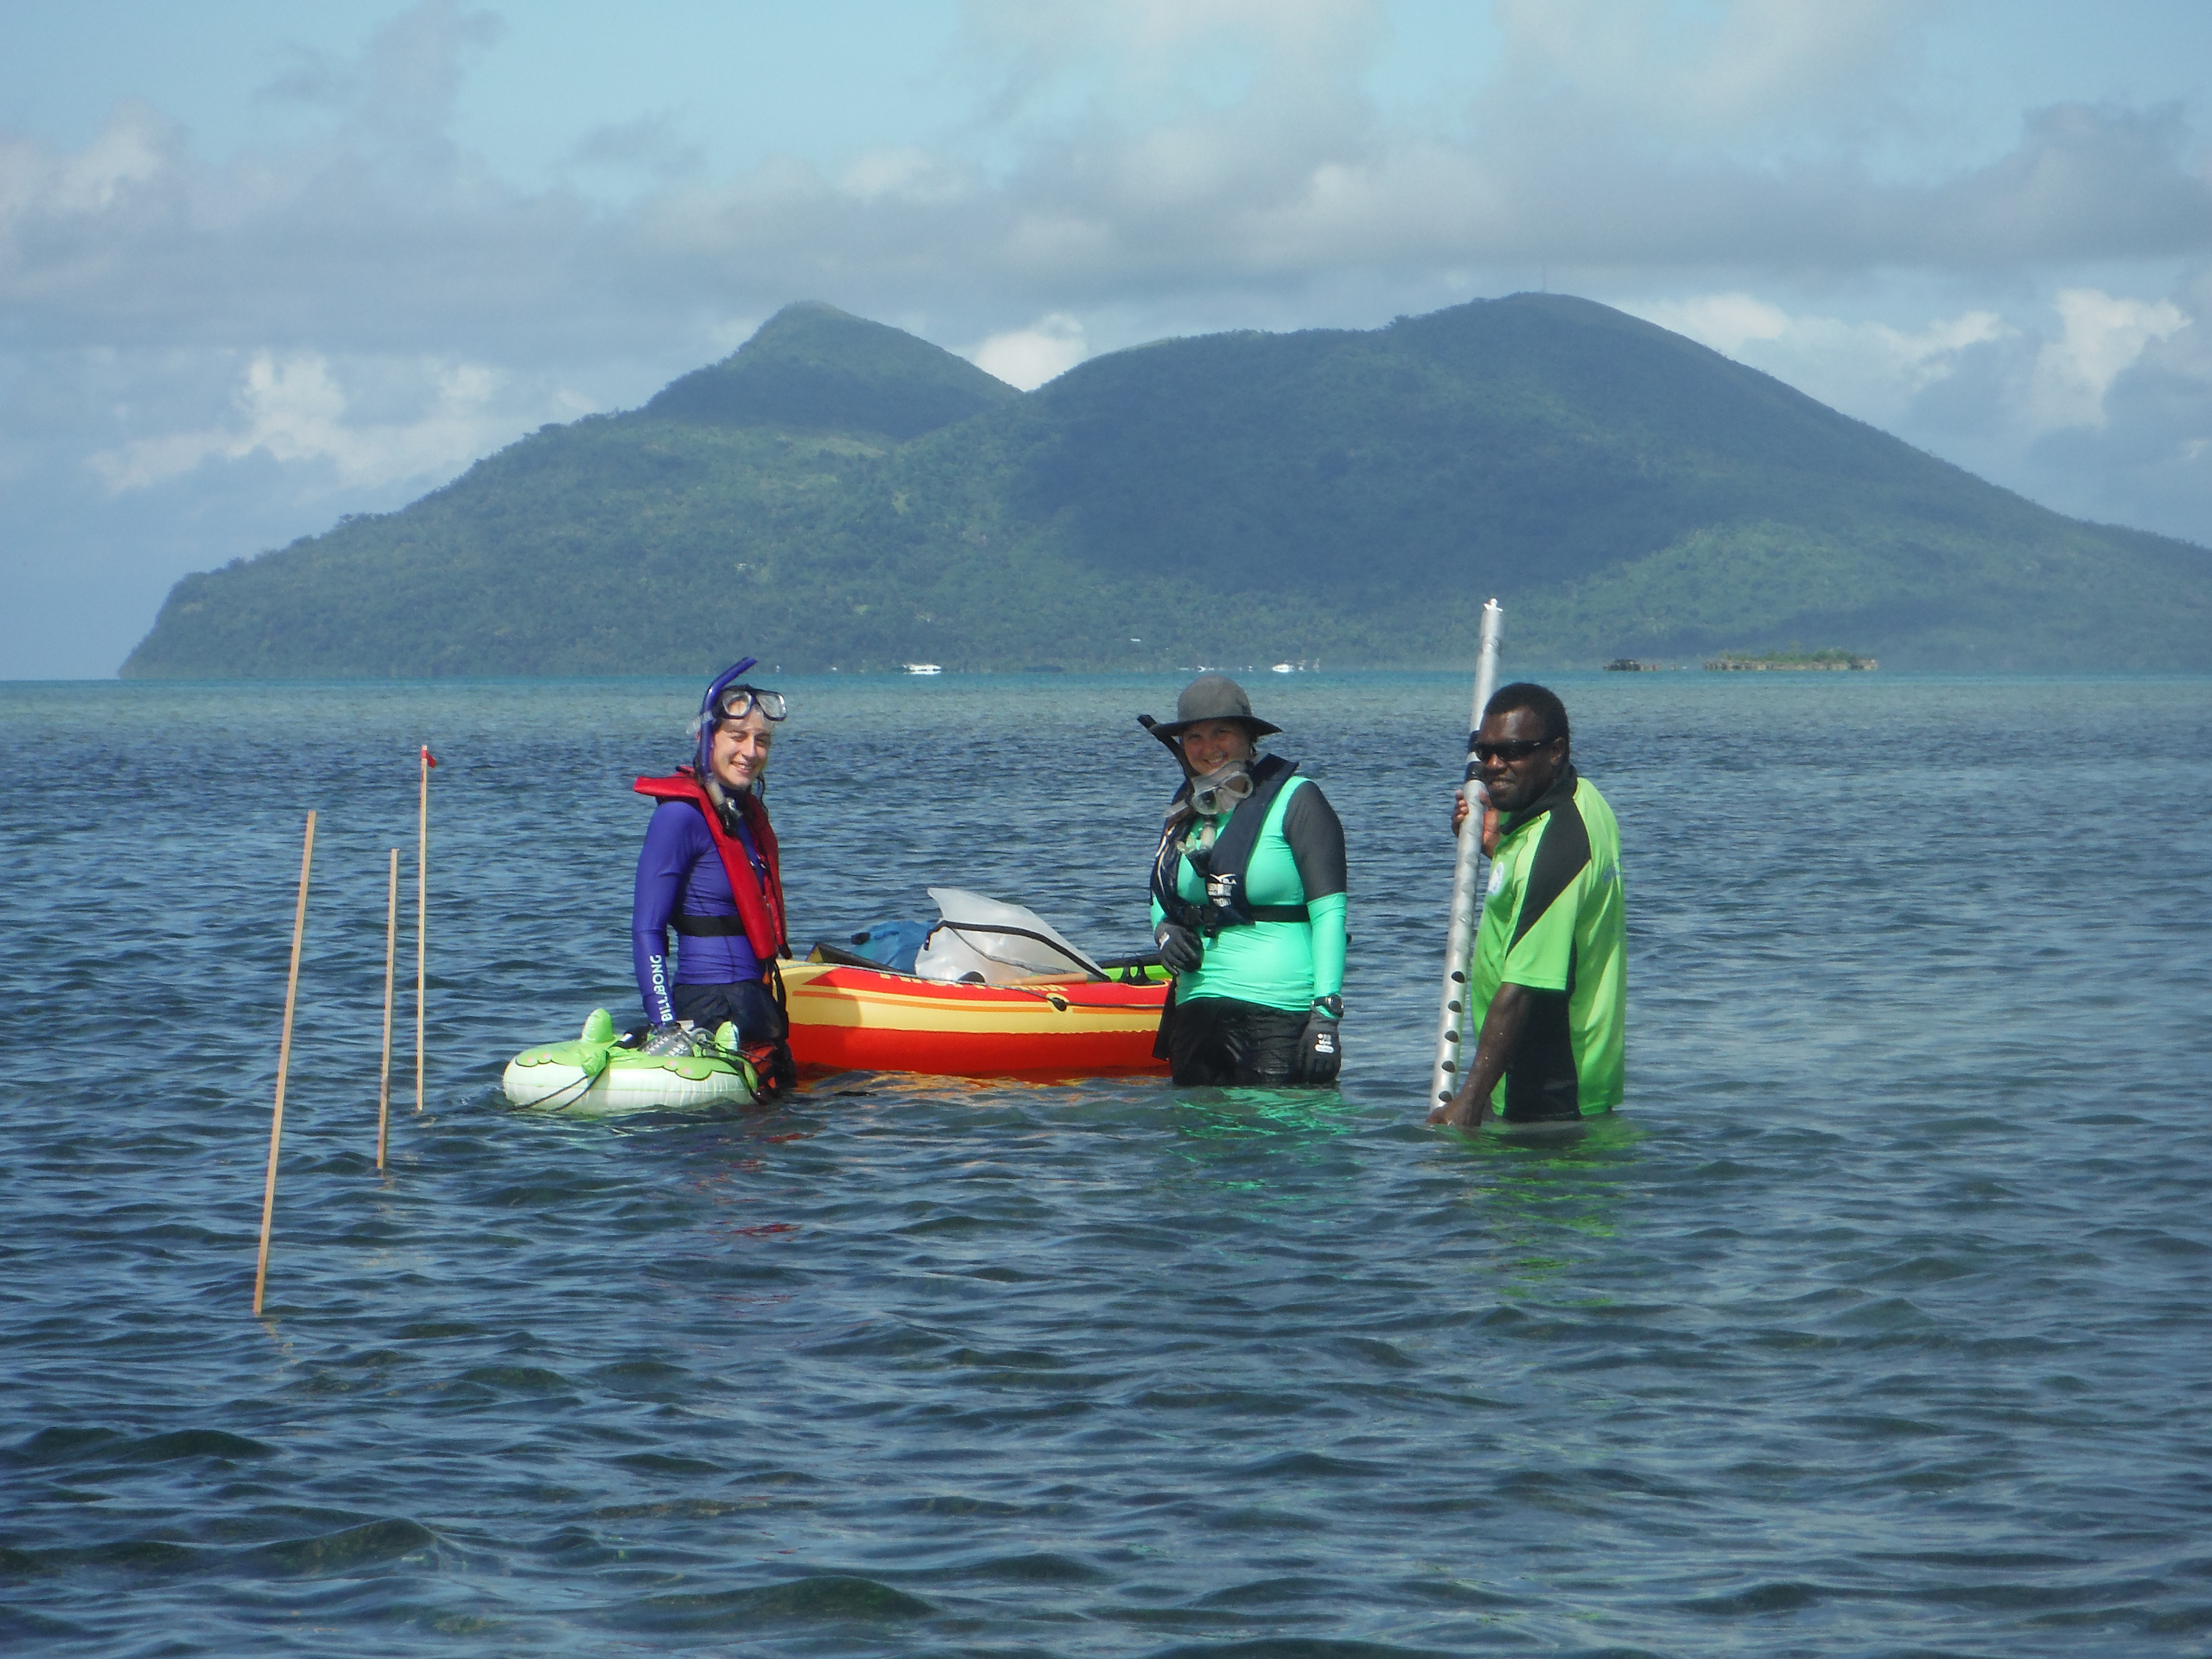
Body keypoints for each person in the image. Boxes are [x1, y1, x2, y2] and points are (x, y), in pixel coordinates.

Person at [1432, 683, 1625, 1129]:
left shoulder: (1560, 845)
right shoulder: (1578, 802)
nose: (1495, 766)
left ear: (1555, 752)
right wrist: (1496, 845)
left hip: (1551, 1089)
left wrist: (1469, 1105)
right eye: (1486, 751)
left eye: (1514, 752)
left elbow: (1521, 989)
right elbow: (1532, 890)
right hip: (1544, 1081)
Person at [1142, 674, 1348, 1086]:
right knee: (1195, 1141)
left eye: (1222, 733)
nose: (1208, 747)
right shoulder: (1187, 811)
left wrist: (1325, 1017)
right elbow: (1162, 894)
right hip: (1196, 1008)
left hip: (1278, 1011)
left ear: (1249, 739)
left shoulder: (1299, 800)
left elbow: (1330, 916)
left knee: (1273, 1142)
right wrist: (1163, 930)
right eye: (1194, 737)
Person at [630, 658, 794, 1081]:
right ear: (708, 739)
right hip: (706, 1009)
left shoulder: (743, 819)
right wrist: (665, 1024)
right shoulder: (679, 819)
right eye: (738, 737)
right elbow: (648, 928)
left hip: (757, 1008)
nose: (751, 752)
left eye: (762, 741)